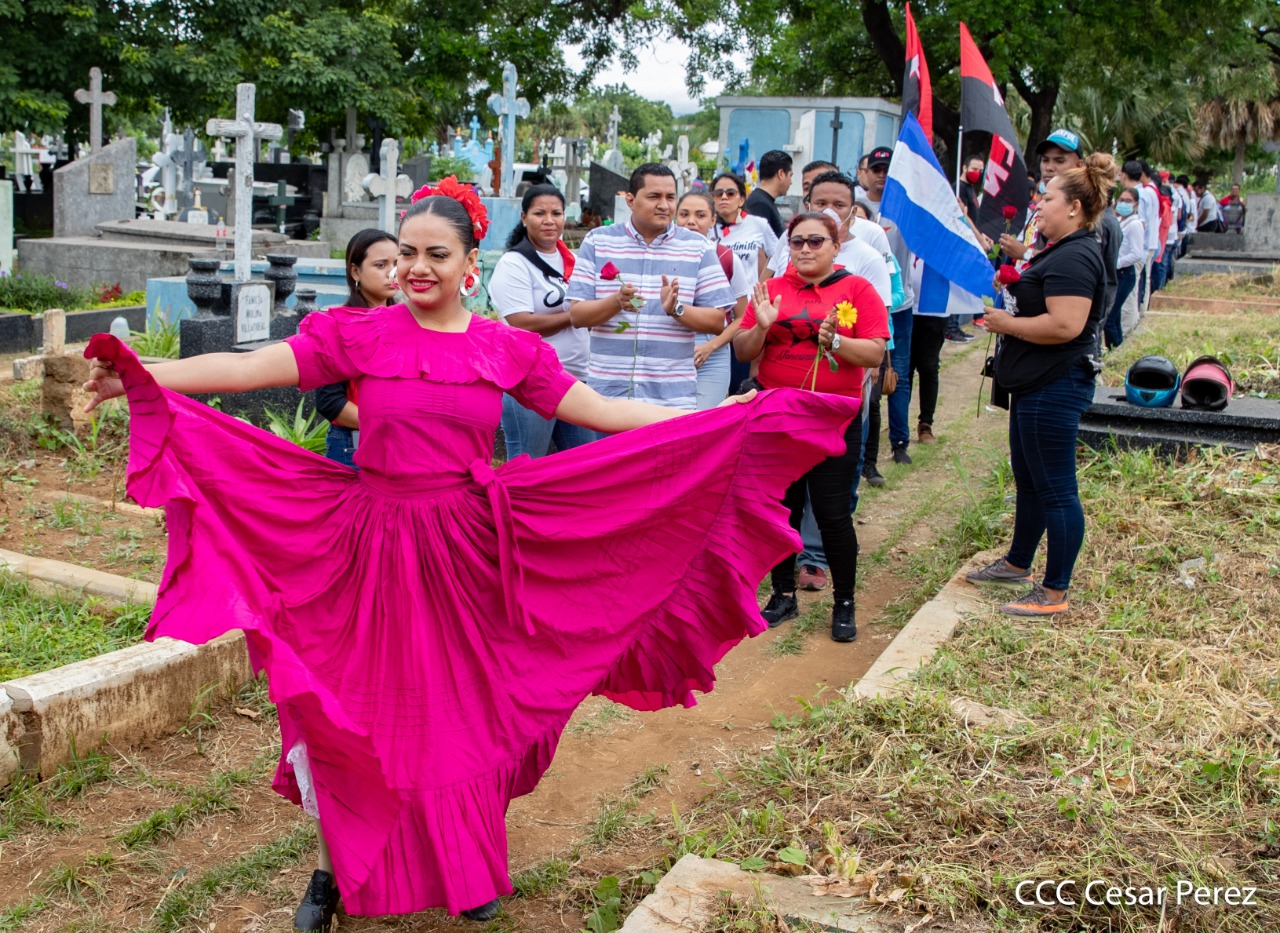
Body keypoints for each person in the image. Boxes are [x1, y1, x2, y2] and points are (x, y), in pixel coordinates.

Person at [81, 176, 862, 927]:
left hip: (466, 550)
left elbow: (599, 409)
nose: (416, 269)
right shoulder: (357, 332)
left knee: (467, 708)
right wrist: (144, 374)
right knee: (350, 705)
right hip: (367, 545)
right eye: (405, 255)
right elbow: (247, 368)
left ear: (468, 263)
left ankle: (469, 864)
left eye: (436, 255)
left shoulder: (503, 347)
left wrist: (713, 416)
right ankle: (331, 868)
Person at [967, 153, 1118, 616]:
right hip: (1035, 382)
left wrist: (1007, 324)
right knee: (1030, 480)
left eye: (1047, 198)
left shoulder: (1076, 255)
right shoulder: (1059, 249)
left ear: (1074, 207)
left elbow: (1065, 325)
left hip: (1055, 383)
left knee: (1056, 488)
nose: (1038, 205)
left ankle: (1054, 593)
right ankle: (1018, 563)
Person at [733, 211, 890, 640]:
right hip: (778, 419)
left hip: (833, 419)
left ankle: (844, 603)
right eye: (797, 241)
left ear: (836, 247)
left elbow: (875, 353)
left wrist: (836, 341)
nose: (805, 249)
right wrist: (762, 327)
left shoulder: (857, 289)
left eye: (816, 241)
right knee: (780, 510)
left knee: (832, 514)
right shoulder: (771, 289)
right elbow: (744, 350)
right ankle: (783, 594)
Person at [568, 163, 734, 413]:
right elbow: (577, 316)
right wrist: (616, 302)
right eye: (654, 196)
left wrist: (677, 309)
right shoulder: (598, 242)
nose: (664, 205)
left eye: (670, 197)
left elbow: (717, 321)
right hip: (608, 400)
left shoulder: (698, 247)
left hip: (670, 400)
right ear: (630, 200)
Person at [489, 183, 592, 458]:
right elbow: (523, 323)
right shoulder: (514, 264)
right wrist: (577, 316)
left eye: (556, 213)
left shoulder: (573, 260)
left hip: (576, 380)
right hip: (533, 381)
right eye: (539, 213)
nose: (549, 220)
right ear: (524, 218)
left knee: (585, 464)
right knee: (527, 463)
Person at [315, 230, 398, 468]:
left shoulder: (406, 322)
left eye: (397, 263)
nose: (392, 273)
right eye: (381, 265)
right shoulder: (339, 327)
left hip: (400, 446)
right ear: (355, 271)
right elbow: (330, 402)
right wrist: (385, 425)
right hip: (354, 445)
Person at [858, 147, 916, 465]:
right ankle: (865, 455)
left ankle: (900, 441)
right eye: (876, 169)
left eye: (887, 169)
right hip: (859, 309)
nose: (881, 175)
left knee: (897, 373)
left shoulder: (908, 208)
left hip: (899, 307)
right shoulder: (854, 206)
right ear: (865, 173)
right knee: (869, 379)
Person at [676, 188, 751, 408]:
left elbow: (741, 317)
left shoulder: (726, 257)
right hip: (668, 350)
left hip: (713, 355)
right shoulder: (661, 255)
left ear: (713, 220)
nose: (691, 221)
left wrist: (710, 346)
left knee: (704, 421)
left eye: (700, 215)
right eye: (684, 214)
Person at [710, 171, 778, 279]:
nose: (724, 197)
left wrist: (763, 282)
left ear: (741, 200)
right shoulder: (707, 226)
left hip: (748, 290)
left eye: (730, 193)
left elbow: (778, 254)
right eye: (719, 193)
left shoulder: (758, 224)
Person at [1105, 187, 1145, 348]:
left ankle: (1115, 348)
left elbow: (1137, 253)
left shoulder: (1135, 224)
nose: (1123, 204)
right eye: (1121, 200)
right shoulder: (1120, 221)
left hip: (1124, 273)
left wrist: (1117, 263)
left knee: (1109, 318)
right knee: (1114, 318)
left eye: (1128, 201)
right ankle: (1117, 347)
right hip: (1117, 273)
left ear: (1136, 204)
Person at [743, 149, 793, 237]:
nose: (791, 182)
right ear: (781, 174)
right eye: (790, 176)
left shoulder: (764, 201)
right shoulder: (760, 205)